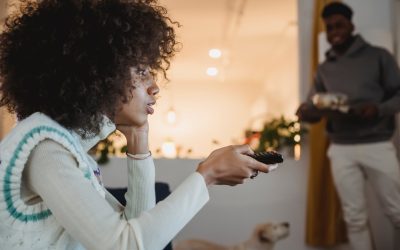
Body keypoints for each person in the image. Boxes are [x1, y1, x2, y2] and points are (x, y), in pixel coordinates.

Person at [0, 0, 272, 249]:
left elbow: (137, 232)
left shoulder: (70, 151)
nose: (155, 87)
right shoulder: (45, 150)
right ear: (100, 75)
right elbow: (126, 245)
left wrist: (138, 140)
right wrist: (208, 175)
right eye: (141, 72)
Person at [296, 2, 400, 250]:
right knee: (354, 219)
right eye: (329, 27)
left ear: (351, 25)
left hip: (377, 144)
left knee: (396, 210)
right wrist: (306, 112)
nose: (334, 32)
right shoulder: (324, 68)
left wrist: (378, 109)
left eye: (339, 25)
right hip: (341, 149)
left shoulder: (378, 56)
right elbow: (314, 107)